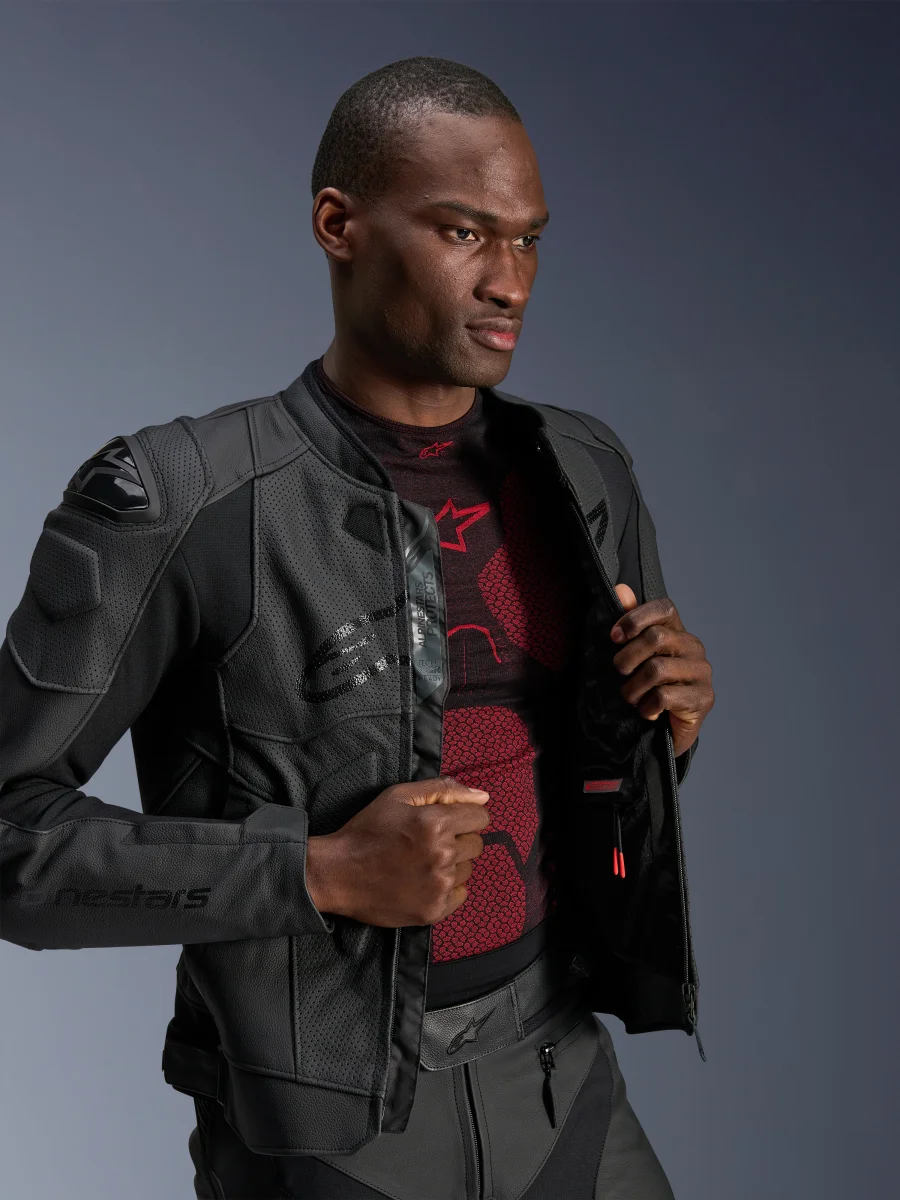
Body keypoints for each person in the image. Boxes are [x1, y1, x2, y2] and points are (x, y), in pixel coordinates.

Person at [0, 56, 715, 1200]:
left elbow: (579, 777)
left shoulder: (583, 470)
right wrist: (319, 871)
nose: (511, 281)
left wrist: (661, 730)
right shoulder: (181, 501)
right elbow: (8, 836)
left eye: (529, 240)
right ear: (339, 224)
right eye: (464, 232)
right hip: (328, 1128)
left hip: (563, 1079)